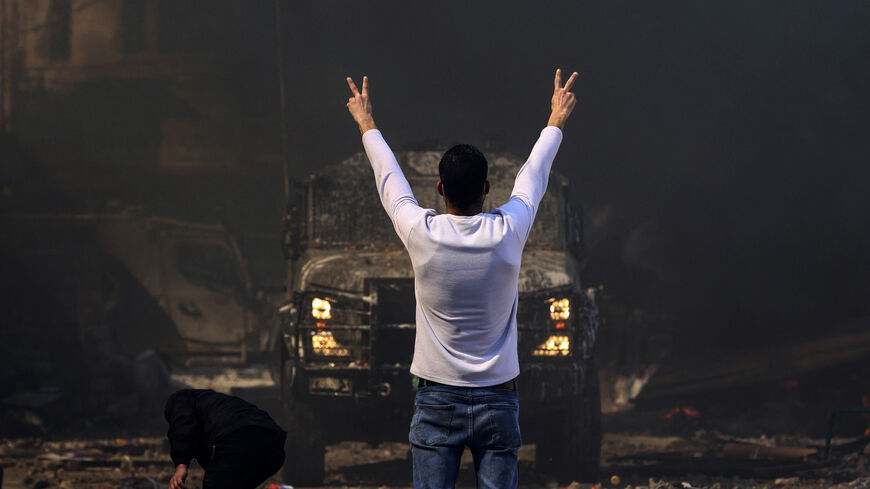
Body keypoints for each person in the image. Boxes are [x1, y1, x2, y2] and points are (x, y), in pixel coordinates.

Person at [345, 68, 578, 489]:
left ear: (438, 187)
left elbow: (389, 178)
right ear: (487, 188)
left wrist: (366, 122)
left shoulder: (421, 232)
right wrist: (556, 119)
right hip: (499, 399)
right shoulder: (509, 231)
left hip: (436, 399)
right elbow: (533, 175)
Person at [164, 389, 287, 489]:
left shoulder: (179, 399)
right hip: (274, 445)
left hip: (238, 436)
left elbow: (183, 424)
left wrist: (181, 466)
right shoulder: (217, 406)